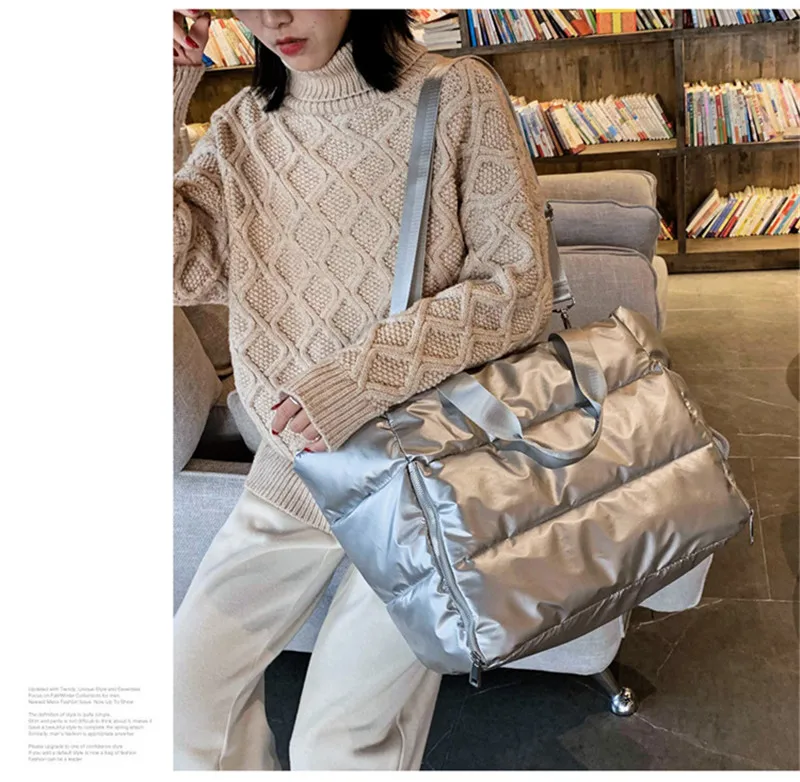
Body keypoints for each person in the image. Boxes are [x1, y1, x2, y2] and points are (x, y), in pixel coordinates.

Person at [172, 8, 553, 771]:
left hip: (428, 482)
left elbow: (518, 287)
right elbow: (177, 271)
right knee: (180, 709)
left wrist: (355, 382)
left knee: (339, 748)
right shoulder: (239, 127)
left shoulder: (456, 92)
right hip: (292, 478)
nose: (273, 16)